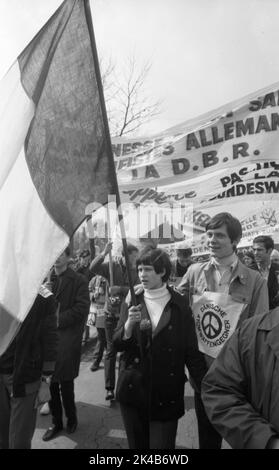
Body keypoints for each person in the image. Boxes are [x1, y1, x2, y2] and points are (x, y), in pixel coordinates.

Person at [177, 212, 269, 449]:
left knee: (243, 437)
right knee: (208, 439)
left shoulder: (255, 280)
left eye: (219, 235)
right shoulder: (195, 272)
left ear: (235, 241)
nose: (212, 240)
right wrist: (146, 291)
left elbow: (259, 332)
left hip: (236, 373)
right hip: (202, 373)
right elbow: (173, 304)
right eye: (209, 235)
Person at [113, 248, 206, 449]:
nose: (141, 275)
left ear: (162, 271)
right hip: (133, 389)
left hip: (166, 391)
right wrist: (129, 325)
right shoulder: (133, 299)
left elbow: (191, 350)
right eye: (139, 270)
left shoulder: (179, 304)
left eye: (147, 269)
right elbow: (117, 343)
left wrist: (204, 387)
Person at [201, 307, 279, 449]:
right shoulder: (250, 334)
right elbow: (218, 390)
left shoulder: (257, 285)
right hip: (221, 363)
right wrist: (267, 442)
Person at [0, 286, 58, 448]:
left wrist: (46, 381)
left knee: (18, 441)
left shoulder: (43, 298)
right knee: (2, 438)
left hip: (25, 378)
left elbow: (51, 341)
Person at [42, 247, 90, 442]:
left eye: (61, 254)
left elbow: (81, 309)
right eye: (54, 253)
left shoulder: (79, 280)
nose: (57, 258)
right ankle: (56, 422)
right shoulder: (46, 281)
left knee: (66, 383)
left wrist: (56, 319)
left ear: (69, 257)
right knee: (50, 382)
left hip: (68, 338)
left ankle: (71, 418)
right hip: (47, 340)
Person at [89, 242, 139, 401]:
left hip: (126, 315)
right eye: (133, 257)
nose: (135, 260)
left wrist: (120, 290)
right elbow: (93, 267)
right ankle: (109, 388)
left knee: (126, 350)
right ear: (124, 255)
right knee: (110, 351)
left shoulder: (136, 270)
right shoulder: (111, 266)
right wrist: (104, 253)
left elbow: (137, 288)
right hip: (110, 314)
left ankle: (124, 386)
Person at [253, 235, 279, 309]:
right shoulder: (248, 271)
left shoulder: (277, 269)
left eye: (259, 250)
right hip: (254, 316)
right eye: (254, 250)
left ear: (270, 251)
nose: (255, 253)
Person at [89, 274, 108, 371]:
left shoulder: (110, 276)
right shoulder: (94, 279)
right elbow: (89, 291)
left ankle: (99, 359)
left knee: (104, 336)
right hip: (97, 309)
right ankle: (99, 359)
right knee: (102, 335)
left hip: (108, 309)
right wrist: (93, 295)